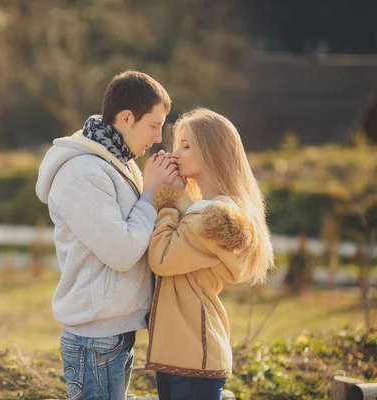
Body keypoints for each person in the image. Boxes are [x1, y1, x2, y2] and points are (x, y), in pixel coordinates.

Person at [35, 71, 176, 400]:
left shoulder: (119, 162)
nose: (158, 137)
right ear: (127, 118)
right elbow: (122, 252)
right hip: (94, 338)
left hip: (113, 332)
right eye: (154, 125)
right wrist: (152, 194)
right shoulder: (81, 172)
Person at [146, 108, 275, 400]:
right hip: (183, 350)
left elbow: (162, 258)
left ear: (213, 153)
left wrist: (165, 199)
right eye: (176, 144)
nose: (175, 153)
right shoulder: (202, 210)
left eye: (187, 145)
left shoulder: (213, 217)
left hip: (193, 353)